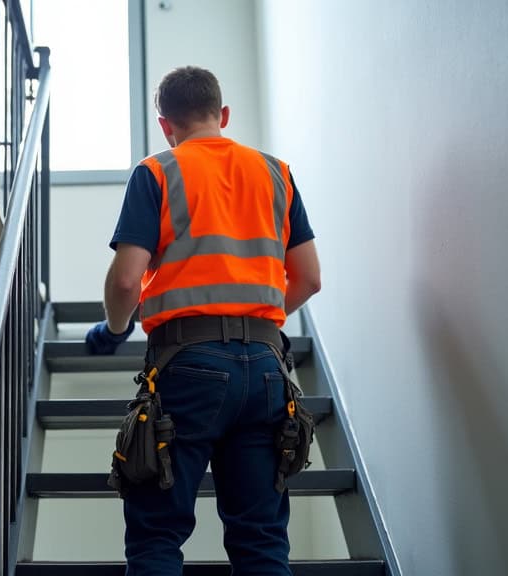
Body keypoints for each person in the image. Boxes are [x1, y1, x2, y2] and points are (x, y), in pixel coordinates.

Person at [85, 66, 321, 575]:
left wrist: (115, 329)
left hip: (186, 367)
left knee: (157, 538)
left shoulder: (157, 171)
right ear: (224, 115)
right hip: (265, 369)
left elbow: (126, 282)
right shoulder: (277, 172)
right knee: (261, 541)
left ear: (165, 125)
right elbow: (309, 279)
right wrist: (258, 324)